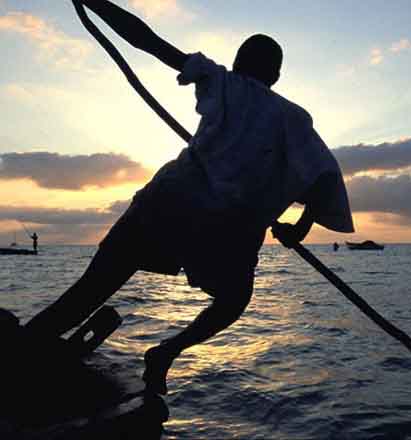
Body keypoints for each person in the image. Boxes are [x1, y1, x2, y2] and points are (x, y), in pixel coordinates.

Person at [25, 0, 354, 395]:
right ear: (277, 75)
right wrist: (299, 227)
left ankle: (26, 345)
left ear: (236, 64)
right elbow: (323, 175)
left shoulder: (223, 81)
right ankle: (167, 351)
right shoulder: (294, 118)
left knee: (93, 287)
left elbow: (148, 40)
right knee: (234, 299)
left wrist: (96, 3)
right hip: (221, 230)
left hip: (168, 204)